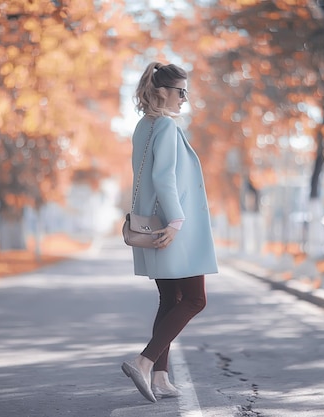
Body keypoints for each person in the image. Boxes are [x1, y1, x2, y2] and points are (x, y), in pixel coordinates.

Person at [121, 62, 218, 403]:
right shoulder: (165, 126)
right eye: (181, 92)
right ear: (162, 91)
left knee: (170, 299)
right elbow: (164, 178)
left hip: (154, 224)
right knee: (195, 299)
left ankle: (160, 376)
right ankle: (144, 361)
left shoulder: (142, 127)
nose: (185, 99)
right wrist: (176, 222)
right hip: (171, 228)